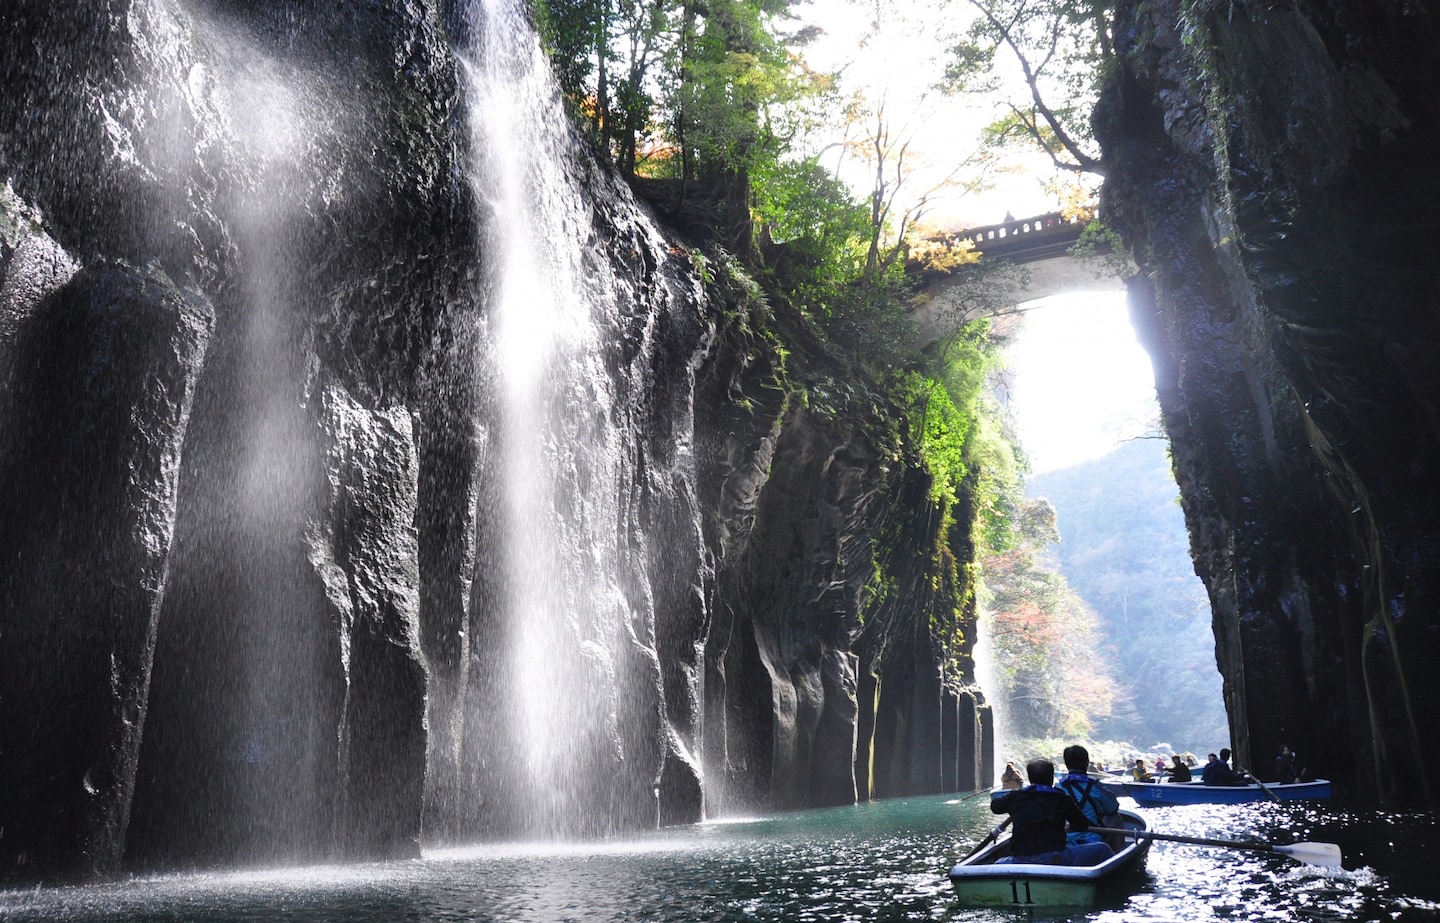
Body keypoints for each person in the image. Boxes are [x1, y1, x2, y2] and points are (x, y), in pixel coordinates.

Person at [991, 758, 1114, 866]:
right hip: (1056, 859)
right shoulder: (1063, 799)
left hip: (1020, 859)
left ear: (1030, 779)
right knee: (1103, 849)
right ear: (1051, 778)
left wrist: (1014, 805)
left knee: (998, 863)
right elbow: (1082, 825)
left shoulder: (1015, 797)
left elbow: (995, 807)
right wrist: (1067, 826)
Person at [1057, 745, 1121, 847]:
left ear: (1066, 764)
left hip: (1065, 840)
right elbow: (1113, 807)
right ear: (1086, 762)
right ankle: (1115, 853)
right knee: (1115, 816)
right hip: (1092, 840)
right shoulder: (1095, 785)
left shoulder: (1058, 787)